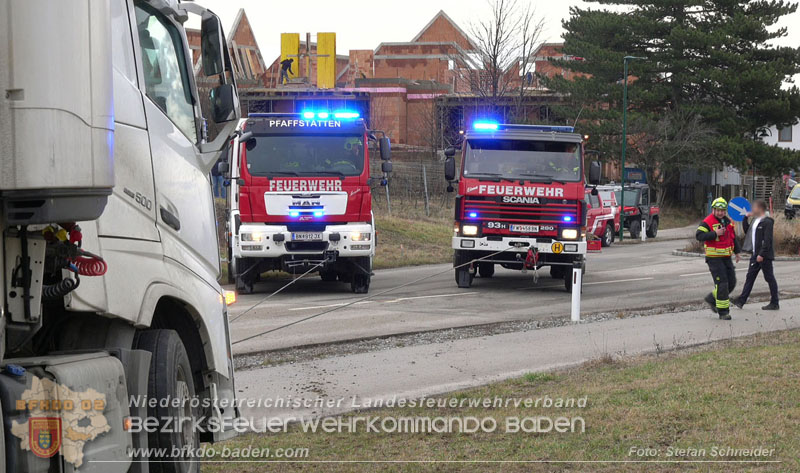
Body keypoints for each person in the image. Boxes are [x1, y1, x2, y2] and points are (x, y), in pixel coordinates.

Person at [696, 197, 741, 320]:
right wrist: (715, 233)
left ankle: (712, 298)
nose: (720, 213)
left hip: (726, 257)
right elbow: (699, 235)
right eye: (718, 210)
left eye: (722, 210)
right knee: (722, 284)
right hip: (714, 258)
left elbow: (732, 237)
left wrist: (737, 252)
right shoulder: (707, 222)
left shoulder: (727, 221)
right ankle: (723, 312)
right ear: (713, 210)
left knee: (731, 282)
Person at [734, 200, 779, 310]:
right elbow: (747, 231)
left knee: (769, 278)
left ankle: (775, 302)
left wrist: (762, 254)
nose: (752, 209)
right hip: (755, 255)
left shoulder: (767, 222)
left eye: (754, 207)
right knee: (750, 277)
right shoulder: (755, 221)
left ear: (760, 209)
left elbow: (767, 240)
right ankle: (741, 301)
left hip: (764, 256)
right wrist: (745, 218)